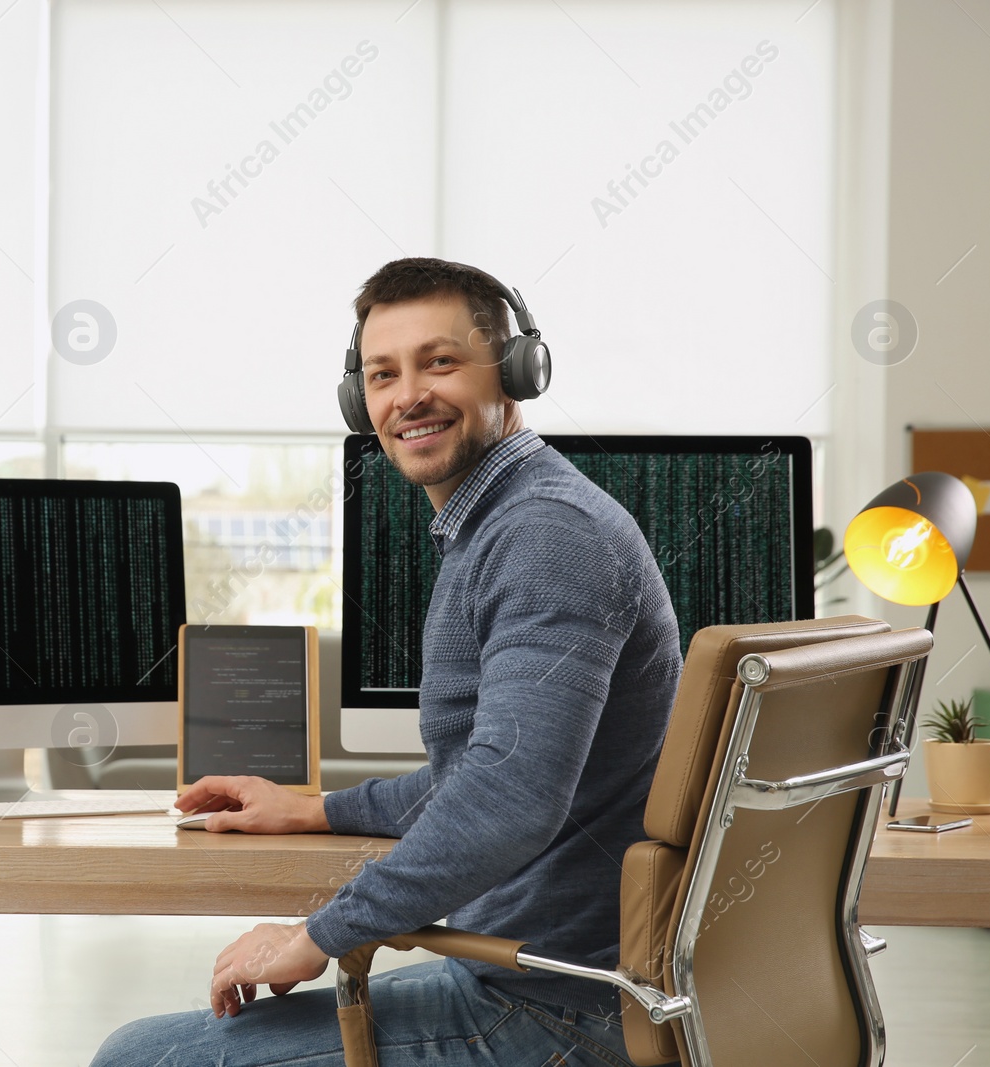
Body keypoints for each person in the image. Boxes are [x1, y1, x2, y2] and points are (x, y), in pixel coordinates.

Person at [91, 258, 681, 1066]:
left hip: (555, 1010)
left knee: (137, 1059)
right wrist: (315, 809)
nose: (408, 395)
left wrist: (317, 934)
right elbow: (490, 771)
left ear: (513, 374)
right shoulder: (513, 518)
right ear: (358, 399)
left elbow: (510, 797)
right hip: (548, 984)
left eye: (440, 361)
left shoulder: (545, 535)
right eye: (382, 373)